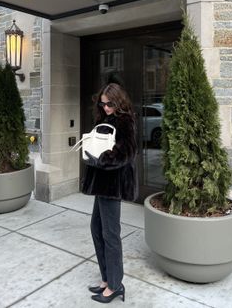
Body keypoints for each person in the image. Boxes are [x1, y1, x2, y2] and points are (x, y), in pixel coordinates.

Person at [82, 83, 137, 304]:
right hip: (101, 184)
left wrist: (102, 160)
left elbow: (127, 152)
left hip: (113, 185)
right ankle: (107, 278)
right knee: (96, 229)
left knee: (110, 235)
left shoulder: (125, 120)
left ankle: (115, 285)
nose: (105, 107)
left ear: (118, 101)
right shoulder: (103, 118)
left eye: (109, 103)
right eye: (102, 103)